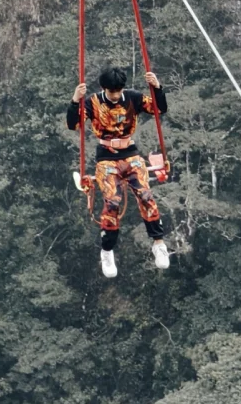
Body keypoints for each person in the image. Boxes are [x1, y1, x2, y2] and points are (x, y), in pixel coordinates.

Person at [68, 67, 170, 278]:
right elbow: (73, 124)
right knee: (112, 201)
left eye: (117, 91)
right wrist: (75, 100)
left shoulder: (132, 97)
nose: (115, 95)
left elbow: (159, 109)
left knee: (145, 195)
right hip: (106, 156)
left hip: (131, 154)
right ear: (104, 88)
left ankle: (159, 244)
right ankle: (107, 251)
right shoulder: (94, 102)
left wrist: (157, 87)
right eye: (111, 91)